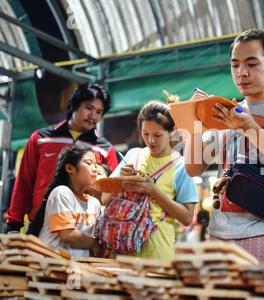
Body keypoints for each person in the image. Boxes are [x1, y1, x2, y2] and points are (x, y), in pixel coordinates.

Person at [184, 29, 264, 263]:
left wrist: (250, 129)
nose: (241, 73)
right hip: (218, 235)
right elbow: (194, 169)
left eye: (251, 64)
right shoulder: (225, 110)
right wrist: (193, 122)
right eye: (235, 65)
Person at [6, 83, 119, 234]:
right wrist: (14, 224)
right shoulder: (41, 138)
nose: (93, 116)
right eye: (89, 108)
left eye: (99, 112)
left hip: (83, 229)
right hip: (40, 225)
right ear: (75, 105)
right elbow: (24, 182)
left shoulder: (105, 150)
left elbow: (111, 193)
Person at [107, 100, 198, 263]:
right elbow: (104, 198)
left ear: (172, 132)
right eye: (145, 134)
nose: (150, 141)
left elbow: (186, 217)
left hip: (157, 254)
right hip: (121, 250)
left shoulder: (182, 166)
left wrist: (153, 190)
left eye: (157, 135)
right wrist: (120, 179)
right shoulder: (132, 156)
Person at [38, 145, 107, 258]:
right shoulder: (62, 193)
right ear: (70, 168)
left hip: (78, 268)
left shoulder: (94, 203)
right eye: (89, 163)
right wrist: (95, 244)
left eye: (95, 165)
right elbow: (68, 235)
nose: (95, 169)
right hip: (52, 264)